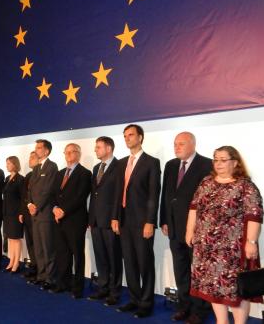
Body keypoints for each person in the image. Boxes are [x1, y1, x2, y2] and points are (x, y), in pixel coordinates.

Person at [186, 146, 263, 324]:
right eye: (215, 159)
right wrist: (189, 231)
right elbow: (194, 208)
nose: (218, 163)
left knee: (235, 290)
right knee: (213, 288)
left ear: (235, 162)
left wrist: (251, 242)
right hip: (205, 248)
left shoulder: (245, 185)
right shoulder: (206, 182)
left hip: (231, 250)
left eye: (223, 160)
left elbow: (254, 215)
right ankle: (222, 322)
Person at [159, 132, 212, 324]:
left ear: (193, 144)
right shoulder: (171, 165)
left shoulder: (206, 164)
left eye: (181, 144)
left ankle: (200, 311)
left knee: (198, 273)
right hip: (174, 228)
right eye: (175, 144)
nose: (176, 147)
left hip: (196, 230)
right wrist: (164, 220)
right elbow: (166, 195)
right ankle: (184, 306)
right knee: (180, 271)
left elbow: (208, 200)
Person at [112, 124, 161, 318]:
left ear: (140, 137)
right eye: (125, 136)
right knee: (130, 262)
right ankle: (134, 299)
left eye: (131, 135)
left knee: (144, 262)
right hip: (124, 220)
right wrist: (115, 217)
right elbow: (118, 192)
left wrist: (150, 221)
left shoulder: (151, 162)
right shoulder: (122, 162)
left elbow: (153, 194)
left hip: (142, 222)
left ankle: (146, 303)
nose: (127, 138)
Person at [49, 144, 92, 299]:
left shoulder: (85, 173)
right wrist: (54, 208)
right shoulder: (60, 173)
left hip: (75, 220)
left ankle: (78, 288)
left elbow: (80, 197)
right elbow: (53, 194)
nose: (68, 154)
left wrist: (63, 211)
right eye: (66, 152)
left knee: (77, 255)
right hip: (58, 220)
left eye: (72, 151)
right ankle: (62, 283)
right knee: (62, 254)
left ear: (78, 154)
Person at [87, 136, 123, 306]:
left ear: (108, 149)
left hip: (110, 221)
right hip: (95, 220)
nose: (95, 150)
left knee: (113, 258)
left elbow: (118, 195)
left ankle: (115, 292)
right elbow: (94, 196)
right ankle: (103, 288)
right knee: (100, 256)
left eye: (98, 147)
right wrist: (90, 218)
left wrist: (116, 217)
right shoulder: (96, 168)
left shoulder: (119, 166)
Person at [27, 139, 59, 290]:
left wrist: (37, 206)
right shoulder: (36, 168)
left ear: (46, 151)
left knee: (48, 248)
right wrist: (29, 204)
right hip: (35, 214)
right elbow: (30, 190)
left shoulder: (52, 167)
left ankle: (50, 278)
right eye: (36, 147)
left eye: (39, 148)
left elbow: (48, 191)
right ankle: (41, 276)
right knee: (38, 247)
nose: (36, 150)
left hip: (45, 214)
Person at [2, 156, 25, 273]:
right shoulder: (7, 179)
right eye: (6, 163)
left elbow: (23, 198)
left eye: (9, 163)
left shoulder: (21, 179)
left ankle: (16, 263)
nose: (7, 165)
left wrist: (21, 213)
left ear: (15, 164)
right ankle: (11, 261)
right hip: (7, 213)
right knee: (10, 239)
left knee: (16, 239)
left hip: (16, 214)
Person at [19, 151, 38, 280]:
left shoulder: (43, 174)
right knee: (30, 242)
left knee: (38, 244)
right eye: (29, 157)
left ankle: (39, 270)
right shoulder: (28, 175)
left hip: (36, 213)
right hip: (26, 213)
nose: (30, 159)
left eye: (33, 157)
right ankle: (33, 266)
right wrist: (21, 211)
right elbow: (23, 196)